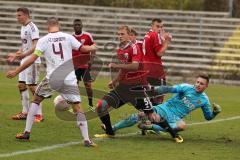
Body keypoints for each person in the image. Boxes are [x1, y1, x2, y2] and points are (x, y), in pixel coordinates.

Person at [6, 17, 97, 147]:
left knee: (36, 100)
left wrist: (16, 71)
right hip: (69, 78)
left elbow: (32, 59)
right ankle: (87, 140)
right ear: (58, 25)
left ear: (47, 26)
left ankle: (26, 132)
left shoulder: (43, 40)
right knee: (77, 107)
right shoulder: (67, 37)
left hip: (53, 78)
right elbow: (83, 49)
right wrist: (93, 46)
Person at [109, 74, 222, 143]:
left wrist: (215, 113)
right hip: (165, 108)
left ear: (206, 86)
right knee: (141, 115)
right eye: (197, 82)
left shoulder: (204, 100)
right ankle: (113, 128)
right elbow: (170, 89)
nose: (198, 85)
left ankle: (151, 126)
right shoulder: (186, 87)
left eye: (201, 84)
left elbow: (208, 117)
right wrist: (155, 89)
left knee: (182, 126)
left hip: (176, 117)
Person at [94, 25, 155, 138]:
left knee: (151, 115)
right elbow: (124, 69)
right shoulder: (121, 49)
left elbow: (136, 65)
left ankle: (169, 128)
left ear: (130, 35)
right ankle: (110, 132)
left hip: (138, 87)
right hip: (123, 88)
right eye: (119, 34)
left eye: (123, 34)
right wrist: (115, 80)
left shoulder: (137, 46)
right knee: (101, 106)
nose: (120, 36)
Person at [7, 7, 43, 122]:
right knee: (21, 85)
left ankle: (39, 114)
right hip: (24, 59)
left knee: (32, 86)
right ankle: (25, 112)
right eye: (17, 15)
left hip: (32, 60)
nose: (17, 17)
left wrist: (24, 54)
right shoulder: (23, 27)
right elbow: (25, 44)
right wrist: (18, 53)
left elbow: (35, 46)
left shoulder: (33, 27)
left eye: (19, 15)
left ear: (26, 15)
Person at [142, 18, 172, 105]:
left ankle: (146, 116)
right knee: (158, 101)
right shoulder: (154, 35)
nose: (159, 29)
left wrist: (162, 41)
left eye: (161, 27)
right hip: (155, 71)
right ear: (152, 26)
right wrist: (167, 41)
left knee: (150, 99)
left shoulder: (148, 35)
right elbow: (159, 53)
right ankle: (156, 117)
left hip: (147, 70)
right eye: (157, 26)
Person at [72, 19, 95, 110]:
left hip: (85, 65)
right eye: (75, 25)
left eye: (79, 24)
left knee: (88, 85)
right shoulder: (70, 37)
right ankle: (76, 105)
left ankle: (90, 104)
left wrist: (91, 60)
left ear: (82, 26)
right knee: (75, 86)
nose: (77, 26)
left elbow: (93, 48)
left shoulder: (87, 36)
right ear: (73, 26)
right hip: (75, 66)